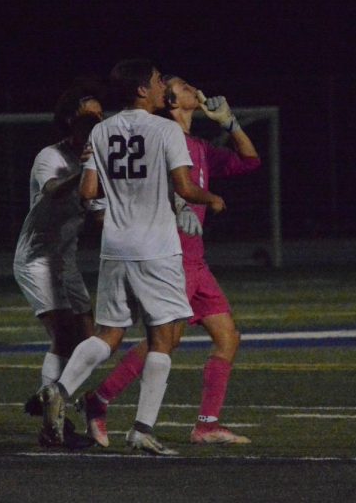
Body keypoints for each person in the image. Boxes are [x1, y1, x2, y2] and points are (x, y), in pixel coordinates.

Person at [38, 59, 226, 456]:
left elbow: (88, 192)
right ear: (142, 89)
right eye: (159, 81)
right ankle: (141, 429)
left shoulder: (101, 130)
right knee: (166, 337)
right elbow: (185, 188)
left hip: (115, 249)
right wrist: (212, 198)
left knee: (109, 334)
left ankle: (59, 389)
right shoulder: (165, 130)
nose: (164, 87)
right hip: (156, 248)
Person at [76, 75, 260, 447]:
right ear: (172, 100)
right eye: (186, 87)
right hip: (167, 255)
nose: (197, 89)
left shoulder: (200, 146)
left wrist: (230, 123)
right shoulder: (161, 136)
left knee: (227, 337)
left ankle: (206, 425)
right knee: (162, 341)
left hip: (197, 261)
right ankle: (99, 400)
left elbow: (250, 162)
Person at [12, 78, 105, 445]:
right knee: (64, 336)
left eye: (100, 116)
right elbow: (51, 191)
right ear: (69, 120)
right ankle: (55, 422)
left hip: (65, 261)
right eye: (88, 116)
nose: (97, 121)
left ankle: (49, 396)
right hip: (36, 259)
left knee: (89, 340)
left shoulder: (98, 160)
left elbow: (99, 217)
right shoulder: (50, 156)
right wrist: (83, 173)